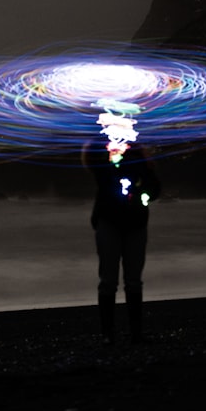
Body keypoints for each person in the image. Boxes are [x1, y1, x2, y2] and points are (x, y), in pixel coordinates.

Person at [82, 139, 161, 345]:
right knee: (110, 280)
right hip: (111, 221)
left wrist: (141, 194)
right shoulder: (104, 159)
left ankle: (130, 334)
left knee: (130, 279)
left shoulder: (139, 159)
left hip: (133, 222)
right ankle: (111, 334)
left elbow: (155, 187)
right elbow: (94, 164)